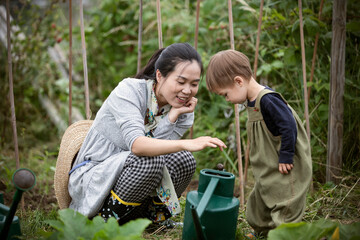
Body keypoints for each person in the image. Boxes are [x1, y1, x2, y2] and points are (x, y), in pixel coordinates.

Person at [67, 43, 226, 226]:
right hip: (95, 174)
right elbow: (139, 146)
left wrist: (172, 116)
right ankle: (103, 221)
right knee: (153, 159)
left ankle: (147, 221)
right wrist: (186, 143)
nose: (187, 90)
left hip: (132, 172)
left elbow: (159, 149)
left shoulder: (183, 109)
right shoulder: (130, 91)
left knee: (184, 160)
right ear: (160, 75)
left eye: (194, 84)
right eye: (181, 82)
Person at [205, 49, 312, 237]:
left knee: (285, 201)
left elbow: (288, 126)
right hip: (268, 165)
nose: (227, 100)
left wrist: (286, 155)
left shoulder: (268, 100)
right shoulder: (251, 100)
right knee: (260, 200)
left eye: (225, 94)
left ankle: (284, 234)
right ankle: (263, 231)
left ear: (239, 81)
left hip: (284, 165)